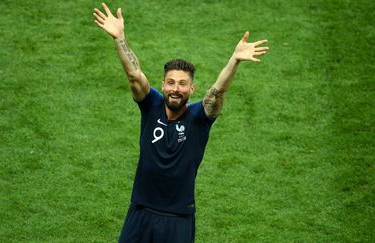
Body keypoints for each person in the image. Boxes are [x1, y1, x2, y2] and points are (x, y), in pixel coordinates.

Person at [93, 3, 269, 242]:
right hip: (140, 211)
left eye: (182, 84)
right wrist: (119, 38)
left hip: (178, 219)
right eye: (171, 82)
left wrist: (234, 60)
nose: (176, 89)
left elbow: (217, 91)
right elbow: (134, 75)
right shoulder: (151, 105)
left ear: (192, 89)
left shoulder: (199, 118)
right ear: (163, 85)